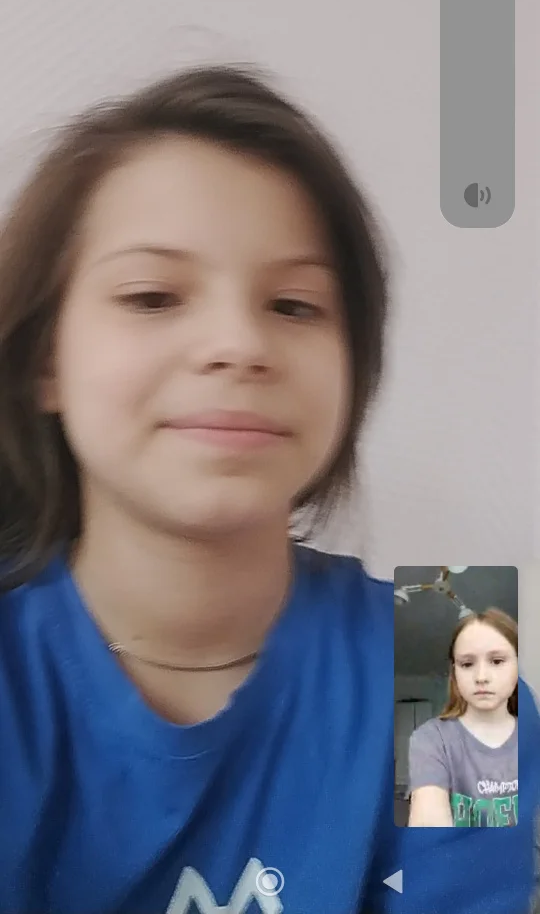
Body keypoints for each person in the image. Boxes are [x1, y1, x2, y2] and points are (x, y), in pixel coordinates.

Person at [0, 63, 538, 914]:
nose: (238, 343)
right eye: (153, 296)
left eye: (293, 305)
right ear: (44, 361)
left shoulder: (449, 655)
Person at [407, 608, 518, 828]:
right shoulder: (430, 739)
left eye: (497, 661)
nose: (481, 677)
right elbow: (429, 831)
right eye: (467, 664)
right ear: (455, 673)